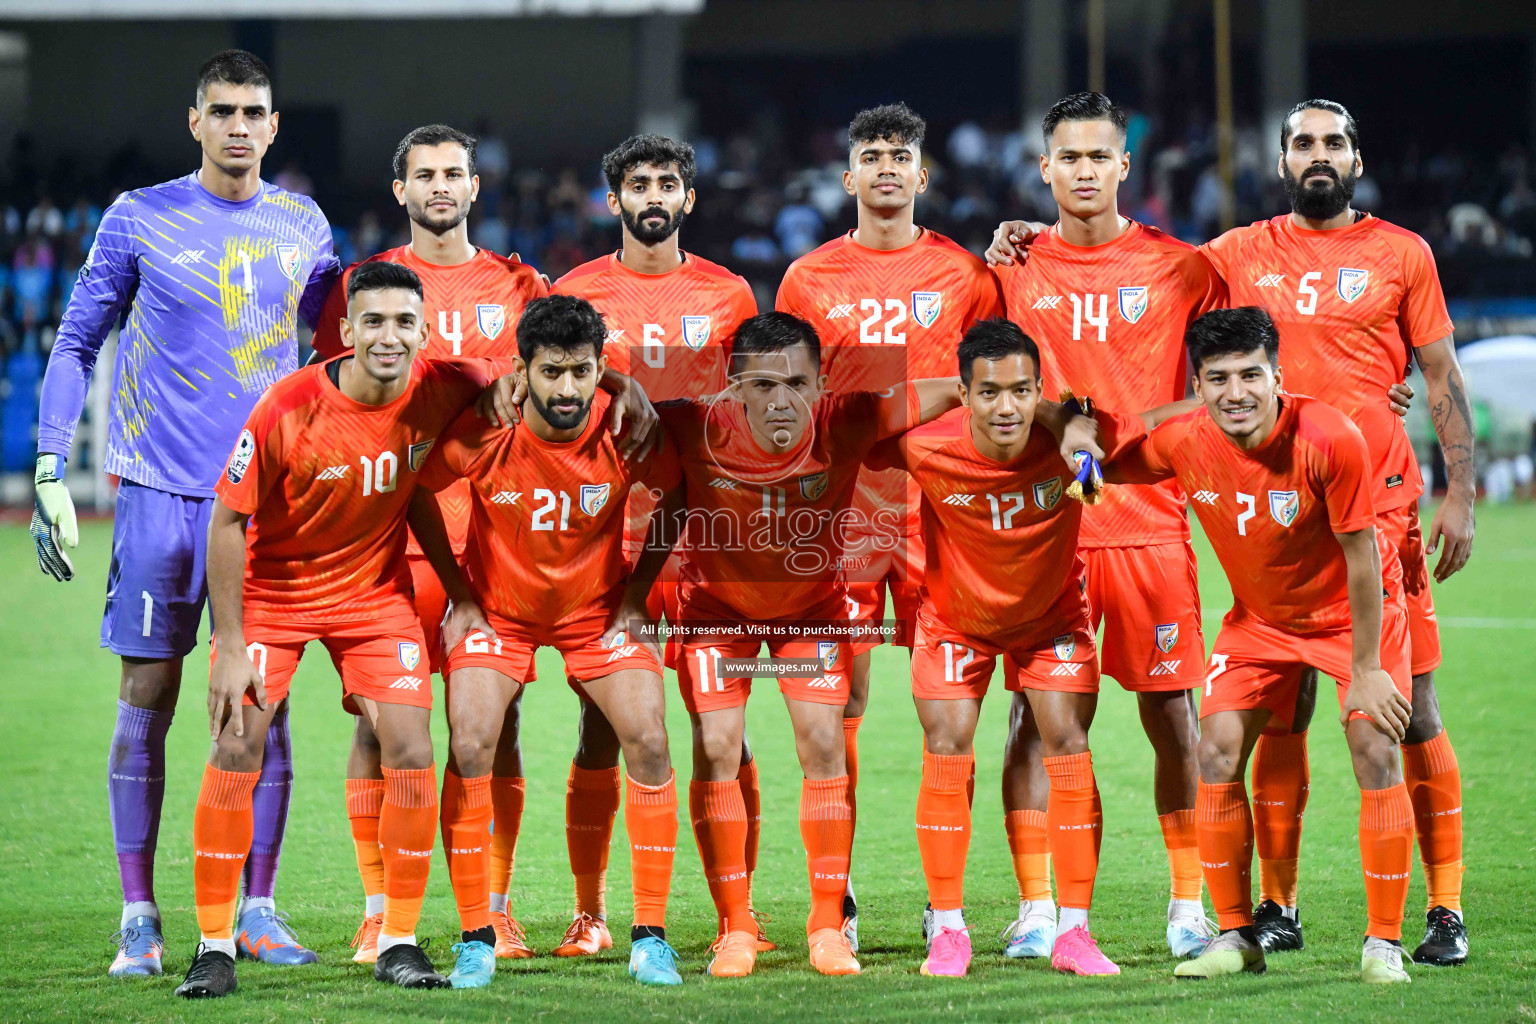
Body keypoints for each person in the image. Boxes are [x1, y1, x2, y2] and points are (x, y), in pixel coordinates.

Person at [986, 98, 1474, 967]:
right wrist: (1024, 232)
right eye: (1301, 143)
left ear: (1356, 157)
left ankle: (1439, 910)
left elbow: (1435, 370)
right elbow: (1095, 269)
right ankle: (1269, 910)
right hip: (1232, 520)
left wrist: (1459, 490)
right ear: (1280, 159)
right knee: (1264, 724)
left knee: (1404, 714)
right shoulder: (1229, 254)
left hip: (1375, 506)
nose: (1317, 155)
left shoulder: (1399, 253)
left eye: (1332, 142)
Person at [31, 49, 339, 975]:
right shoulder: (140, 218)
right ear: (195, 121)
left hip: (270, 504)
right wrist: (52, 460)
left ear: (274, 127)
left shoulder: (304, 225)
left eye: (255, 112)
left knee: (262, 710)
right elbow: (79, 338)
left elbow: (343, 354)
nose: (240, 126)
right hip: (162, 496)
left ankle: (258, 908)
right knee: (148, 699)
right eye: (223, 111)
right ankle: (139, 913)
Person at [175, 261, 499, 998]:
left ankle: (399, 940)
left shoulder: (449, 384)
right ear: (347, 332)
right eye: (374, 323)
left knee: (412, 745)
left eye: (404, 323)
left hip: (373, 599)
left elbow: (530, 378)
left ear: (425, 330)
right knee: (236, 741)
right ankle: (214, 945)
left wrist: (624, 392)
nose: (390, 337)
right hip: (274, 598)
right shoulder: (288, 405)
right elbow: (226, 521)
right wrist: (227, 647)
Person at [1089, 306, 1416, 984]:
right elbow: (1112, 465)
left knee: (1373, 745)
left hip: (1349, 618)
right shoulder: (1185, 440)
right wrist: (1073, 443)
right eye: (1218, 379)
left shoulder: (1330, 437)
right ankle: (1236, 936)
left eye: (1250, 375)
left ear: (1278, 376)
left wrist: (1367, 667)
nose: (1235, 392)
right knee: (1214, 749)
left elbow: (1362, 555)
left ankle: (1383, 945)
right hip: (1260, 622)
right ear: (1199, 387)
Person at [646, 310, 962, 977]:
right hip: (715, 613)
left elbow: (961, 386)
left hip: (811, 614)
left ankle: (826, 924)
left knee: (824, 743)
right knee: (714, 747)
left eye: (796, 383)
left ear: (820, 383)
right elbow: (598, 406)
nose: (781, 400)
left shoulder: (849, 418)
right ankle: (735, 926)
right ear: (733, 386)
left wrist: (1054, 415)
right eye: (762, 386)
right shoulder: (690, 423)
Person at [988, 92, 1225, 959]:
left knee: (1174, 717)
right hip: (1046, 533)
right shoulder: (1010, 270)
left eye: (1100, 157)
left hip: (1150, 526)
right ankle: (1037, 908)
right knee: (1036, 723)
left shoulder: (1184, 269)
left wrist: (1124, 438)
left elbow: (1215, 391)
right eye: (1069, 157)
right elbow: (992, 391)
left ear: (1126, 166)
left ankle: (1188, 905)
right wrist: (1062, 427)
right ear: (1043, 168)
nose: (1085, 171)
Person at [309, 123, 549, 965]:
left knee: (499, 725)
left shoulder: (521, 285)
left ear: (476, 187)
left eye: (454, 174)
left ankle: (495, 905)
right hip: (389, 541)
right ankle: (381, 906)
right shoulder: (366, 288)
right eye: (425, 176)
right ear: (400, 190)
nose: (440, 187)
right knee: (383, 725)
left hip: (494, 538)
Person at [776, 103, 1004, 946]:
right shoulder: (806, 280)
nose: (884, 168)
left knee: (950, 713)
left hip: (946, 515)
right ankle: (836, 897)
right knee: (841, 707)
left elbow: (998, 389)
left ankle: (948, 907)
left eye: (898, 155)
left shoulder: (968, 278)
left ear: (921, 175)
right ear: (848, 177)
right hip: (845, 522)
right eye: (869, 154)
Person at [414, 295, 685, 988]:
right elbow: (419, 492)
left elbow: (676, 496)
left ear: (602, 369)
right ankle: (477, 934)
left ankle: (649, 935)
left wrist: (634, 595)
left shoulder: (624, 429)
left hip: (596, 614)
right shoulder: (485, 432)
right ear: (522, 371)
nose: (568, 389)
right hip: (499, 615)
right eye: (553, 372)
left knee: (650, 741)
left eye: (582, 372)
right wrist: (460, 594)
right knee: (471, 740)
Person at [551, 133, 764, 957]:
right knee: (603, 729)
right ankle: (592, 912)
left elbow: (748, 412)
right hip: (608, 544)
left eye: (668, 182)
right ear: (613, 200)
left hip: (710, 539)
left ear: (688, 199)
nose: (653, 194)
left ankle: (734, 917)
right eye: (637, 182)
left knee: (726, 731)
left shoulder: (729, 293)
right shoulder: (574, 292)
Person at [867, 319, 1125, 978]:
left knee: (1068, 745)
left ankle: (1074, 931)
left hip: (1051, 620)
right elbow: (856, 424)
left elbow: (1095, 485)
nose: (1005, 408)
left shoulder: (1074, 445)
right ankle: (948, 931)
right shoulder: (927, 447)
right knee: (947, 747)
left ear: (1040, 390)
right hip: (957, 622)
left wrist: (1070, 425)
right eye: (987, 394)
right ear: (963, 393)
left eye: (1020, 392)